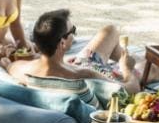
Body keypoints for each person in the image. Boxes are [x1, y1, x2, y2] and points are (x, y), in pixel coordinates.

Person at [8, 8, 142, 95]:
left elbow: (47, 66)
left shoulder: (17, 67)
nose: (74, 34)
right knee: (145, 67)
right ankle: (131, 60)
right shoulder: (83, 75)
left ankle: (125, 57)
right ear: (62, 43)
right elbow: (132, 89)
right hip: (94, 72)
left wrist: (63, 62)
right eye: (73, 31)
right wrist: (126, 69)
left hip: (73, 63)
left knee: (110, 31)